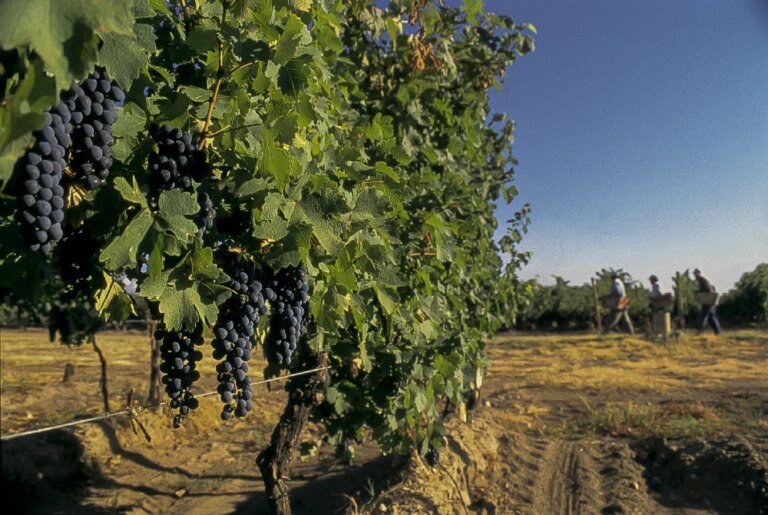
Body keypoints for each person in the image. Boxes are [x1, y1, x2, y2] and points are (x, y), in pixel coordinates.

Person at [693, 268, 721, 335]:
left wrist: (697, 292)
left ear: (698, 273)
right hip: (711, 300)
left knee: (702, 316)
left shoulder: (701, 279)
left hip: (708, 300)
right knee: (711, 318)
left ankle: (699, 331)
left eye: (695, 273)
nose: (694, 275)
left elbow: (706, 289)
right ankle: (717, 332)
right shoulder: (703, 280)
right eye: (694, 274)